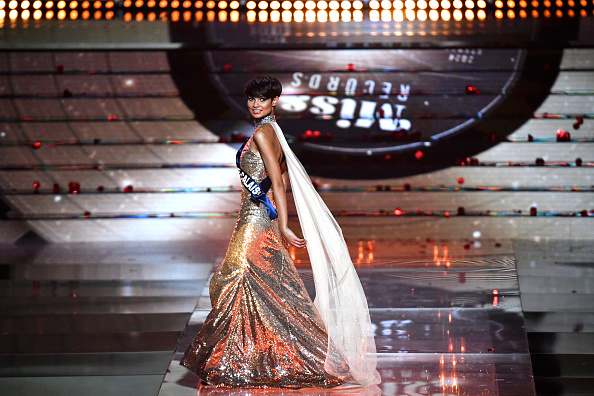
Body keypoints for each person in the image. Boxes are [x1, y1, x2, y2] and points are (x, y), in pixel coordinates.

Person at [180, 76, 380, 389]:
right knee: (269, 290)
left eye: (262, 99)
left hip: (256, 220)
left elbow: (277, 178)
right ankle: (263, 356)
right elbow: (280, 180)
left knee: (235, 279)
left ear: (275, 101)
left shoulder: (263, 132)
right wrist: (279, 220)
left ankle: (240, 359)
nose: (255, 104)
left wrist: (284, 223)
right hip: (259, 218)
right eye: (251, 99)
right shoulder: (274, 131)